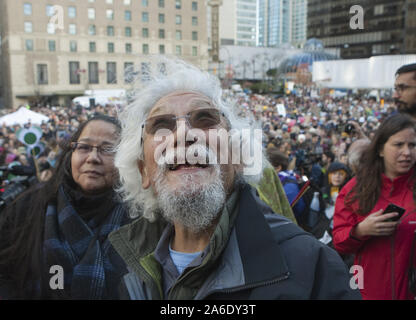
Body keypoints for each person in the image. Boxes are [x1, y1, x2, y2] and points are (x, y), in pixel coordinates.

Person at [109, 57, 360, 300]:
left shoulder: (312, 264)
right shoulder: (122, 265)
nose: (184, 134)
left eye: (205, 120)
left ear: (239, 157)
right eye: (161, 125)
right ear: (144, 171)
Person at [0, 115, 129, 299]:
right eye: (84, 147)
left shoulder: (142, 219)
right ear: (71, 153)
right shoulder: (26, 207)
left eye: (107, 149)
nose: (93, 158)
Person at [333, 113, 416, 299]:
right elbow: (339, 241)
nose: (407, 152)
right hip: (368, 291)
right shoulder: (355, 189)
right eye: (398, 145)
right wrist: (361, 230)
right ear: (380, 149)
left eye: (412, 145)